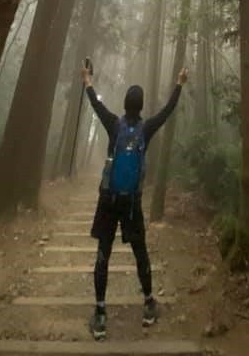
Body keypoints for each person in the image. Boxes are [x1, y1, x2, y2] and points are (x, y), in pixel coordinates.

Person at [81, 64, 188, 341]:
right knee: (141, 252)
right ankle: (150, 304)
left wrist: (88, 80)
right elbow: (167, 110)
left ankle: (101, 315)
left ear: (125, 104)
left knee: (103, 254)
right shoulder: (146, 128)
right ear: (140, 107)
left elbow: (95, 103)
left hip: (108, 200)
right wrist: (179, 83)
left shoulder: (114, 124)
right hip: (131, 204)